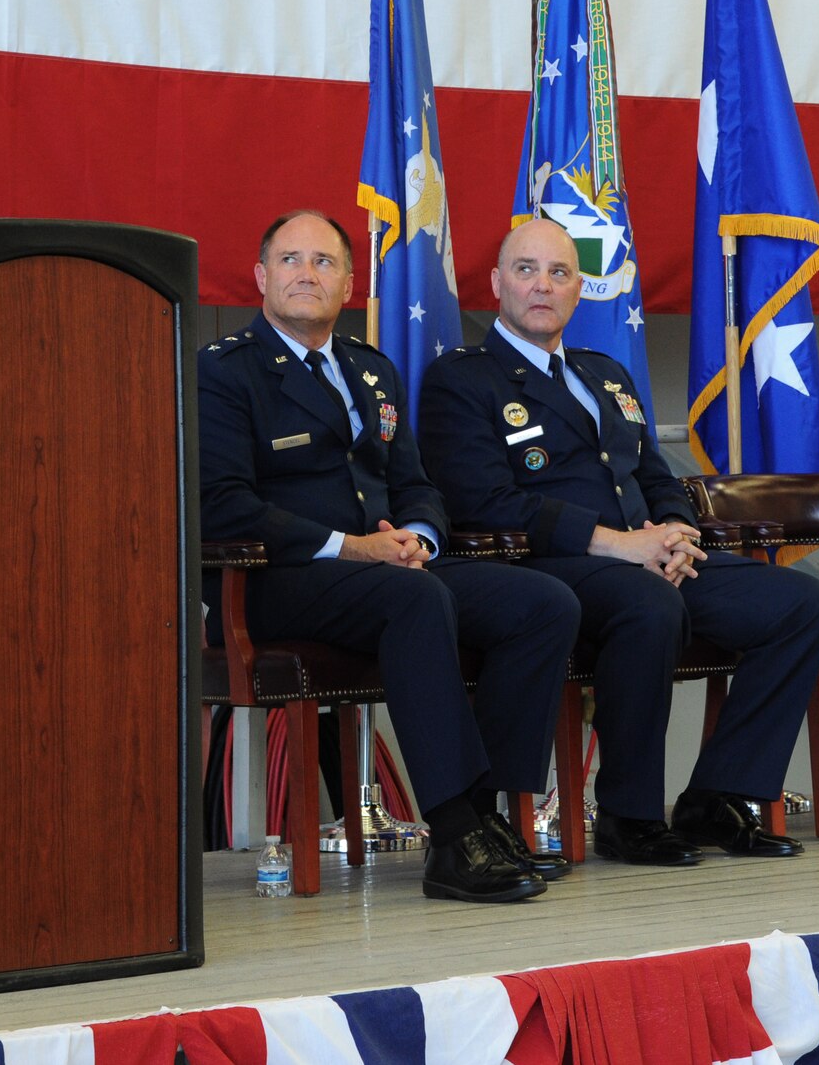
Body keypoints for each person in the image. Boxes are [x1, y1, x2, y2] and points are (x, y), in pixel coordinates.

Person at [418, 219, 819, 865]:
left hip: (646, 558)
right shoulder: (462, 379)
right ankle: (629, 814)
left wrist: (675, 533)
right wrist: (619, 544)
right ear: (498, 282)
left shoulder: (604, 372)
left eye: (560, 273)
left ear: (578, 289)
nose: (543, 285)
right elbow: (485, 502)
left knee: (802, 604)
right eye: (526, 270)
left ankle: (717, 794)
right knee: (649, 604)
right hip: (551, 567)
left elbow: (653, 473)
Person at [199, 210, 580, 903]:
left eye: (323, 261)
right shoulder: (225, 373)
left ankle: (486, 816)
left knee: (542, 602)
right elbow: (222, 504)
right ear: (260, 277)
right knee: (417, 597)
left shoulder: (371, 371)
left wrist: (418, 539)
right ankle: (453, 830)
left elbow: (416, 484)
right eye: (290, 260)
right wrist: (356, 547)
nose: (306, 274)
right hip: (277, 580)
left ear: (349, 281)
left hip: (384, 570)